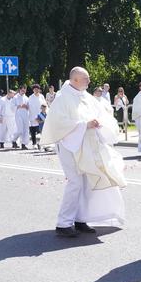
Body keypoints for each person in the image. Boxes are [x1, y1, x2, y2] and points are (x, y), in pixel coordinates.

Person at [40, 67, 126, 237]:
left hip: (87, 144)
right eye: (85, 79)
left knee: (87, 182)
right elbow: (59, 123)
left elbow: (102, 113)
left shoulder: (86, 96)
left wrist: (99, 122)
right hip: (69, 145)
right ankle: (63, 223)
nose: (89, 81)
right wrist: (84, 124)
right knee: (75, 182)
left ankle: (80, 219)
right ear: (75, 80)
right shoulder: (62, 98)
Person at [27, 84, 47, 149]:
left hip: (41, 116)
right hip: (33, 116)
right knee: (33, 130)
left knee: (41, 131)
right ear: (33, 90)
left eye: (37, 89)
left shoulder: (41, 96)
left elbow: (45, 105)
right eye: (35, 89)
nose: (36, 90)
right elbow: (29, 107)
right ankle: (34, 143)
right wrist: (33, 117)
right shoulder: (30, 97)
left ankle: (40, 144)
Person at [12, 85, 30, 150]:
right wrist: (18, 106)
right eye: (22, 90)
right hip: (18, 115)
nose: (23, 91)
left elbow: (29, 107)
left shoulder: (27, 98)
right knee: (20, 130)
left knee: (25, 130)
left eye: (24, 90)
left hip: (25, 115)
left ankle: (23, 144)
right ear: (19, 90)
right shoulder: (15, 97)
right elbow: (12, 107)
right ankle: (13, 140)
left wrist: (26, 107)